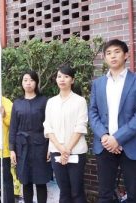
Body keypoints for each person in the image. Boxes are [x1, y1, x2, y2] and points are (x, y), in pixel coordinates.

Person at [89, 39, 136, 203]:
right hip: (104, 146)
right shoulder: (98, 84)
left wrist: (117, 138)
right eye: (108, 53)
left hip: (131, 145)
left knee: (135, 195)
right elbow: (93, 112)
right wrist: (104, 136)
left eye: (117, 51)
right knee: (104, 195)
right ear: (104, 58)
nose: (112, 56)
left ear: (126, 55)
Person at [43, 65, 88, 203]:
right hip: (57, 151)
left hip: (76, 151)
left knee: (77, 191)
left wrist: (67, 149)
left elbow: (80, 127)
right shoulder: (51, 102)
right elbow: (48, 127)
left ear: (72, 80)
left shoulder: (80, 101)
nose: (62, 79)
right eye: (59, 76)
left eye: (66, 76)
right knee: (64, 190)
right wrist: (61, 149)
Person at [9, 70, 52, 203]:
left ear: (36, 82)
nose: (28, 83)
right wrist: (12, 149)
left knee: (40, 181)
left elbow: (50, 126)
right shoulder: (17, 103)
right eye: (25, 80)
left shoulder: (44, 101)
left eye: (31, 80)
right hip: (22, 147)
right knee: (26, 181)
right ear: (21, 83)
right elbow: (13, 127)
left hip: (41, 146)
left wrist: (51, 146)